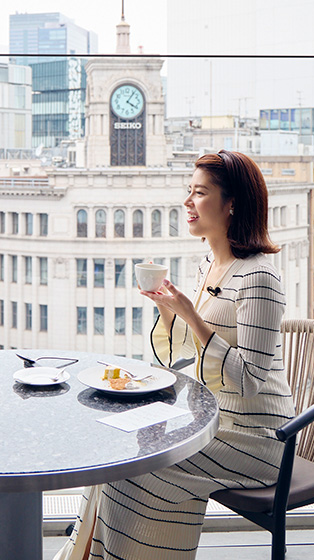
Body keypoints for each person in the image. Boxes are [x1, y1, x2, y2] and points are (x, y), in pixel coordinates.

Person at [56, 150, 292, 560]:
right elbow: (185, 353)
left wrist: (191, 315)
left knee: (135, 468)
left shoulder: (260, 276)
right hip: (215, 422)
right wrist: (170, 309)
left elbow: (248, 379)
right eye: (189, 191)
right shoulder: (212, 266)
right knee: (115, 452)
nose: (187, 203)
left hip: (260, 440)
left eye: (199, 193)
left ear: (231, 202)